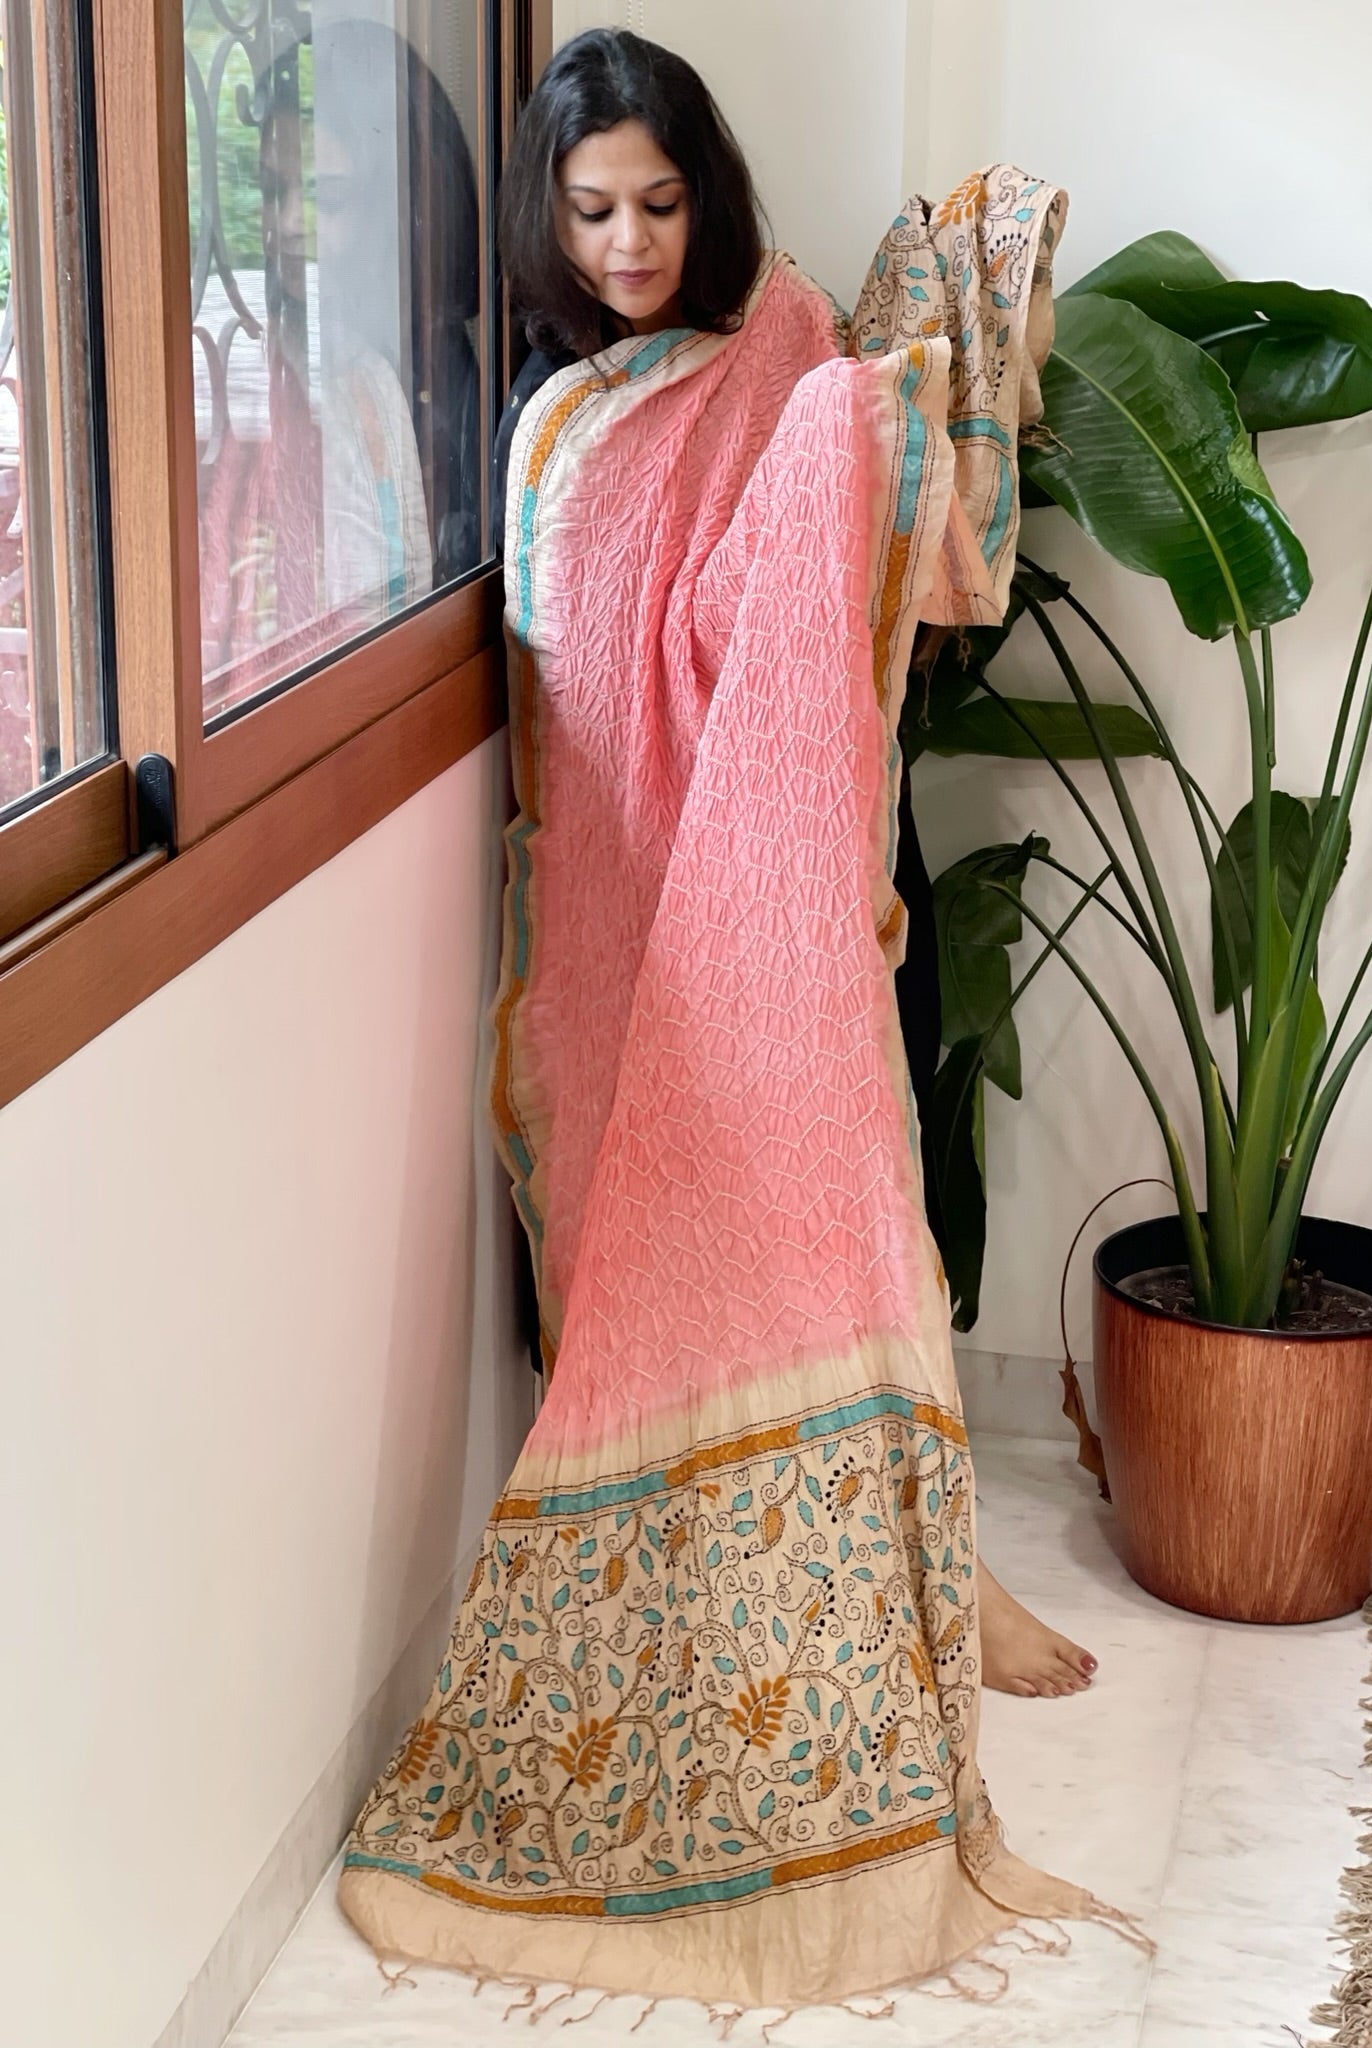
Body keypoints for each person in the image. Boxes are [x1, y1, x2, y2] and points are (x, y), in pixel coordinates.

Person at [339, 29, 1122, 2013]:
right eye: (592, 209)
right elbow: (593, 660)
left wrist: (878, 404)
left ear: (711, 194)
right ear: (544, 216)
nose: (628, 244)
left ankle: (915, 1569)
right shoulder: (551, 420)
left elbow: (832, 555)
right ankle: (709, 1598)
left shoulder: (778, 342)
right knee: (653, 1248)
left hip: (778, 875)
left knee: (824, 1204)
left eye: (661, 203)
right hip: (624, 910)